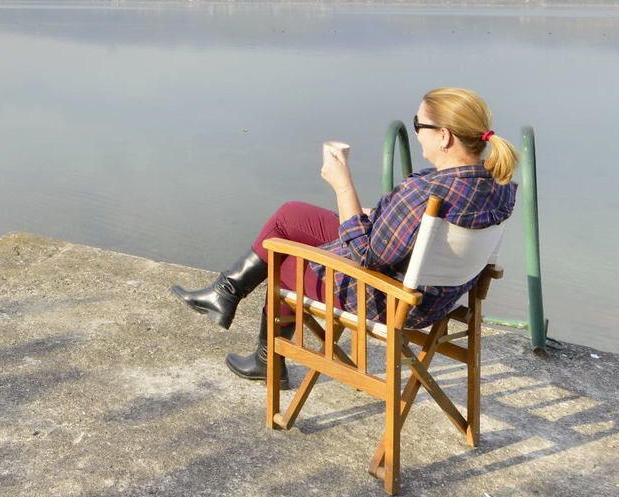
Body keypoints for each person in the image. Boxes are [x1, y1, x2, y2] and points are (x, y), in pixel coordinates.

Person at [171, 86, 518, 379]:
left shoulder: (426, 192)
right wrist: (372, 212)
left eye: (419, 124)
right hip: (434, 297)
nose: (416, 134)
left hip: (390, 300)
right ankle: (225, 292)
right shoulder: (497, 186)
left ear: (444, 136)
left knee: (285, 262)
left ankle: (268, 362)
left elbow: (366, 255)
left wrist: (343, 185)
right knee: (291, 215)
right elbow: (413, 233)